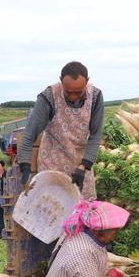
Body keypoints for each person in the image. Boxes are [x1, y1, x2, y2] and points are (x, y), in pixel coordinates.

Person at [17, 61, 104, 200]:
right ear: (61, 81)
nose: (73, 97)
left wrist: (85, 165)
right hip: (52, 161)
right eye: (68, 92)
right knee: (52, 207)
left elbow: (95, 135)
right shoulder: (49, 96)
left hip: (80, 164)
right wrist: (25, 165)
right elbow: (29, 134)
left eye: (78, 92)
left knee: (82, 208)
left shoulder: (95, 96)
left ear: (87, 82)